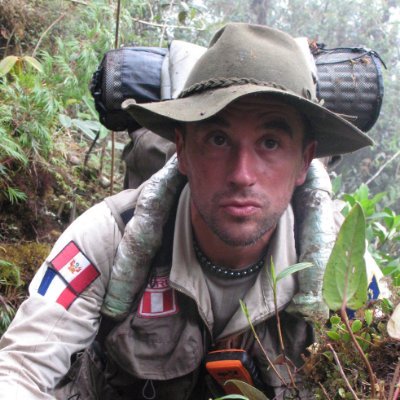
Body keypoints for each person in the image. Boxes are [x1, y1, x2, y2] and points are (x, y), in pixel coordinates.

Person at [0, 23, 377, 400]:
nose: (242, 174)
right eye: (218, 139)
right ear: (181, 148)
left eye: (270, 142)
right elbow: (22, 371)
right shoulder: (108, 237)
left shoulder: (344, 264)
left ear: (304, 161)